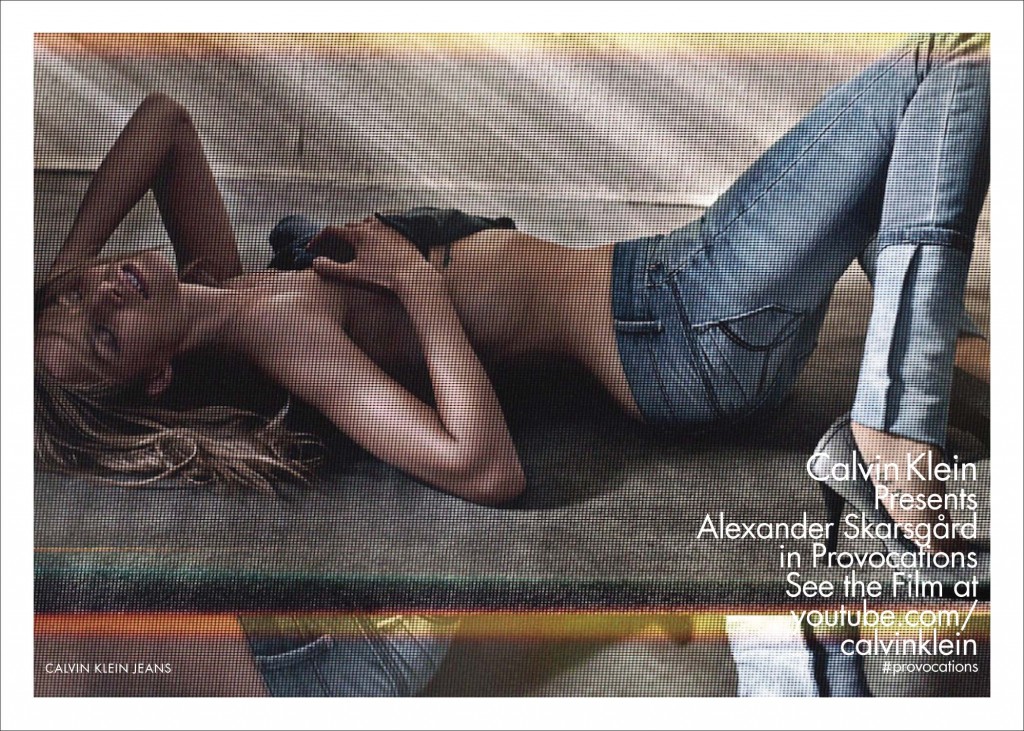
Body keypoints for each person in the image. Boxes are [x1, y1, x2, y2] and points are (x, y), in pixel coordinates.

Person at [35, 33, 990, 558]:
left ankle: (925, 361)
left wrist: (59, 278)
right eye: (106, 333)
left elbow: (164, 122)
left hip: (678, 298)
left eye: (85, 297)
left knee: (916, 124)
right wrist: (417, 284)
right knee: (944, 67)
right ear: (156, 378)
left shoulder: (218, 288)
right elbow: (488, 469)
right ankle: (896, 427)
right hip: (677, 325)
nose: (104, 295)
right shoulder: (282, 329)